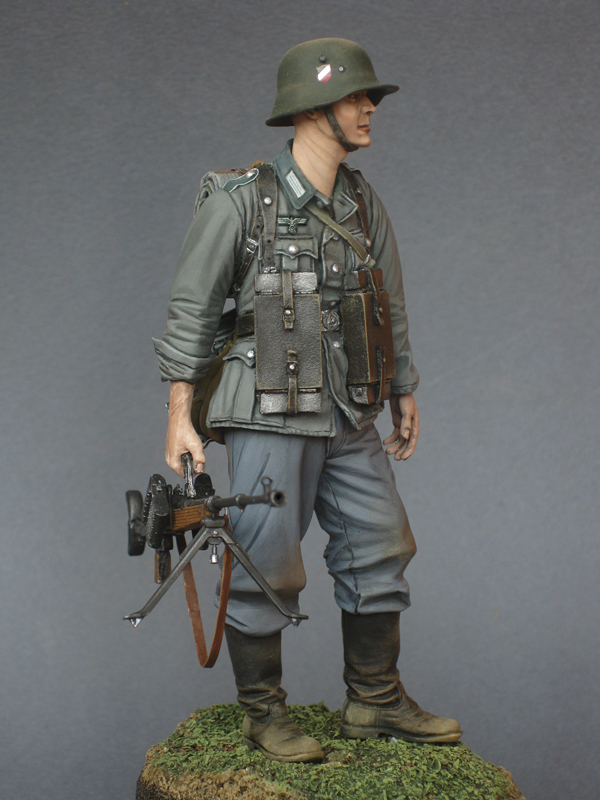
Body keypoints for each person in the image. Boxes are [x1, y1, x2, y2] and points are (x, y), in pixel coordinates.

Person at [153, 38, 461, 763]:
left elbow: (387, 301)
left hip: (350, 409)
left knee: (381, 543)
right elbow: (193, 308)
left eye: (368, 97)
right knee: (266, 557)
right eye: (355, 97)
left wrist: (403, 386)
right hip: (271, 406)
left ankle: (374, 699)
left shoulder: (361, 203)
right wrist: (178, 414)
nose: (369, 109)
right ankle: (263, 713)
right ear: (312, 109)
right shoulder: (241, 202)